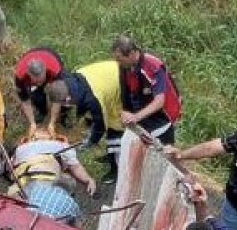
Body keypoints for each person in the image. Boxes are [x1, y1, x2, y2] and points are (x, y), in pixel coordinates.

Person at [110, 34, 182, 184]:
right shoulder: (125, 65)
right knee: (143, 154)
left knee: (165, 158)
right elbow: (126, 90)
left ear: (130, 54)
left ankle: (173, 186)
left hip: (162, 119)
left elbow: (159, 101)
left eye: (119, 58)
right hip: (142, 115)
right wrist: (125, 111)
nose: (117, 62)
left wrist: (136, 117)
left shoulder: (153, 66)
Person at [45, 63, 125, 151]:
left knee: (115, 120)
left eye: (62, 104)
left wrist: (92, 141)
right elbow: (81, 101)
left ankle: (118, 147)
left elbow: (101, 124)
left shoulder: (93, 99)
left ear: (67, 99)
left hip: (122, 80)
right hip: (108, 70)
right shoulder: (72, 80)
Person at [9, 135, 97, 195]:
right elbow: (75, 167)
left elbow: (11, 169)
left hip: (23, 180)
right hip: (45, 176)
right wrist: (88, 179)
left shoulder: (20, 149)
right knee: (70, 183)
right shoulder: (62, 146)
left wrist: (88, 179)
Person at [14, 48, 65, 133]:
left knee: (63, 95)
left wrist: (52, 123)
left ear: (45, 70)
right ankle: (42, 112)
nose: (39, 83)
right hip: (30, 55)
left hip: (51, 55)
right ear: (29, 74)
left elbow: (57, 100)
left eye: (41, 80)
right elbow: (25, 101)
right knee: (35, 95)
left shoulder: (55, 71)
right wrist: (32, 123)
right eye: (36, 81)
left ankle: (63, 115)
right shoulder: (20, 76)